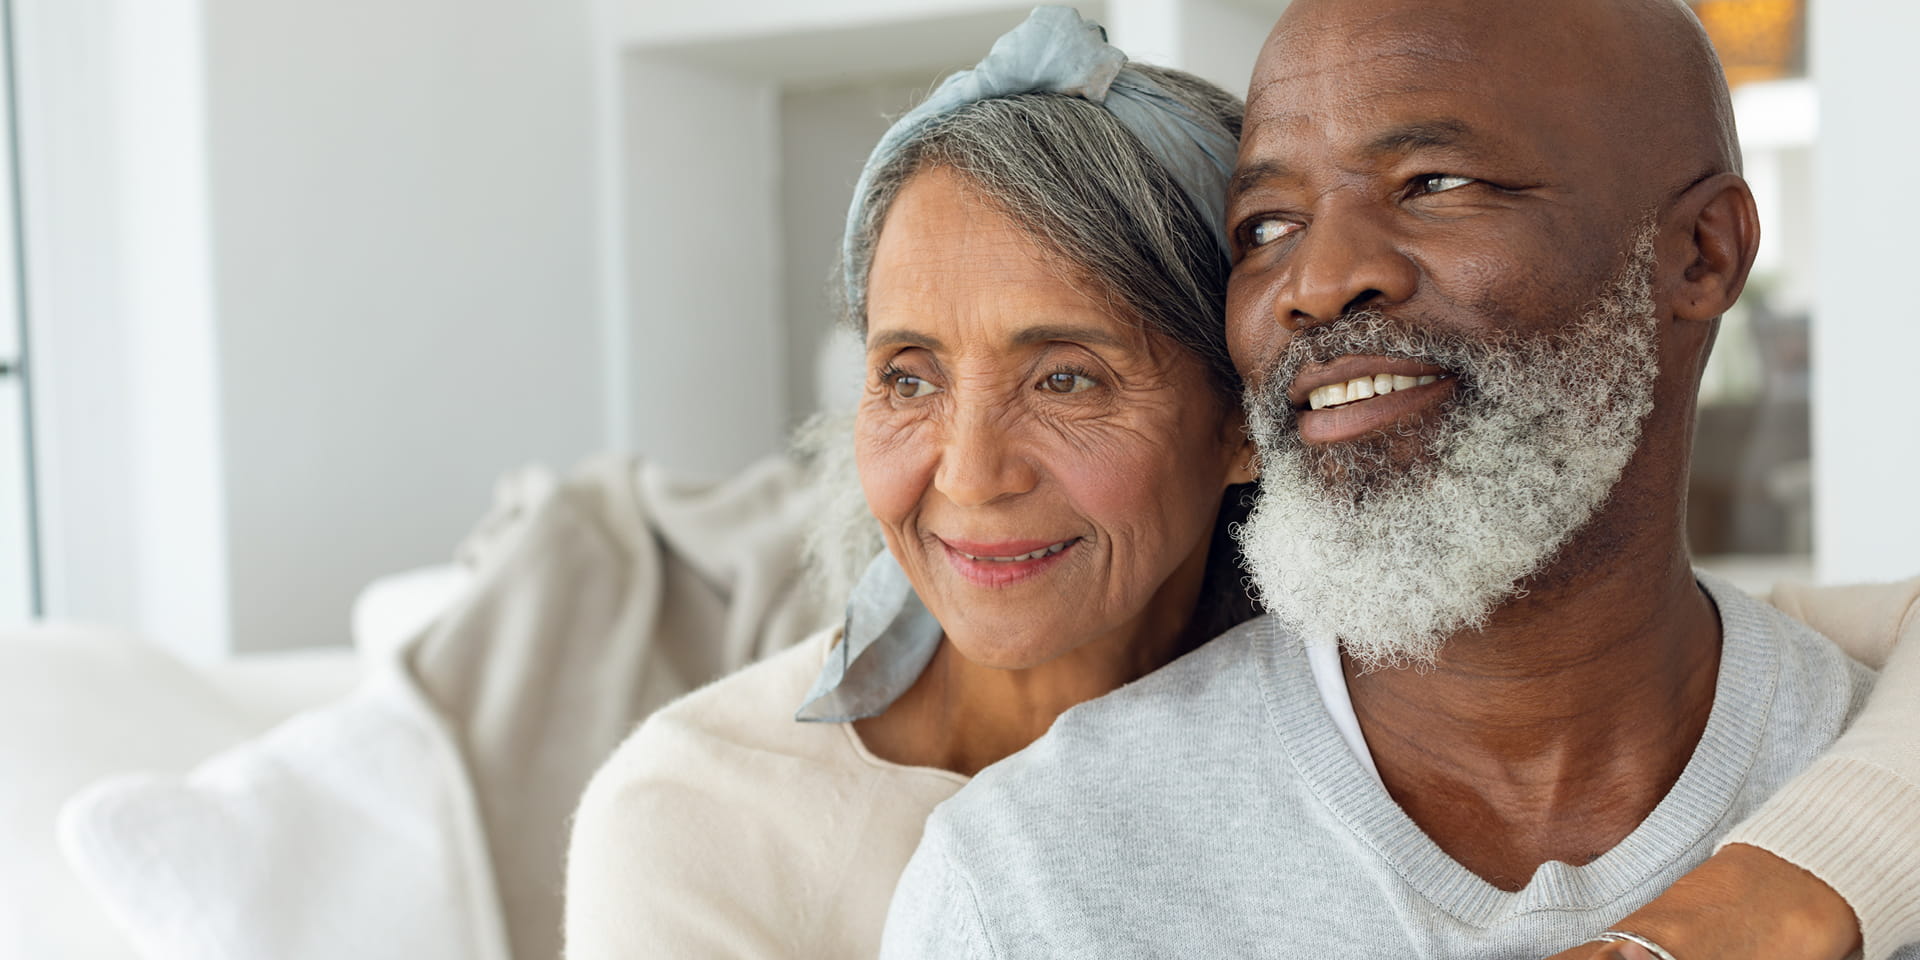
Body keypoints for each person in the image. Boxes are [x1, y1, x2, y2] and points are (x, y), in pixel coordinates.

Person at [567, 8, 1920, 960]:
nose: (968, 472)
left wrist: (1809, 876)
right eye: (905, 374)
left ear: (1232, 424)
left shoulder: (1850, 739)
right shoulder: (978, 864)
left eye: (1434, 179)